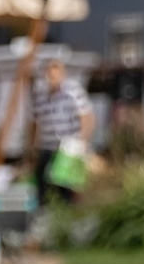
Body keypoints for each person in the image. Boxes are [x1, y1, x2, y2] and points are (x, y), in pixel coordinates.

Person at [30, 55, 95, 206]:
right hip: (47, 145)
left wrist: (81, 141)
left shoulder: (72, 91)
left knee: (66, 187)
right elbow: (34, 122)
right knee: (42, 182)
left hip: (67, 148)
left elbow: (86, 116)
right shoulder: (39, 95)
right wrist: (32, 145)